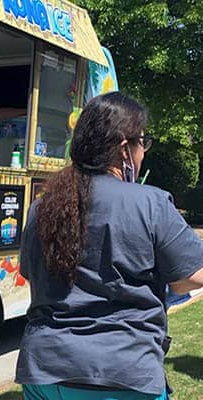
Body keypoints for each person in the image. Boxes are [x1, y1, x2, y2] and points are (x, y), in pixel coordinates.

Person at [15, 92, 203, 400]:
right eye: (143, 142)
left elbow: (31, 272)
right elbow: (192, 276)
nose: (144, 153)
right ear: (123, 148)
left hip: (44, 370)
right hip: (121, 373)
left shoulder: (42, 206)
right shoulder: (150, 202)